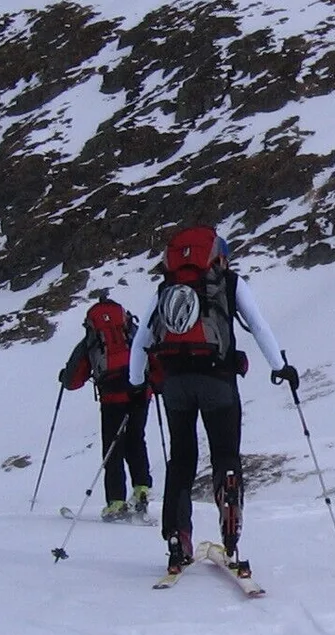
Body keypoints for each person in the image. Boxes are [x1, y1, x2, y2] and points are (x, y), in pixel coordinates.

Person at [128, 226, 300, 576]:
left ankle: (178, 538)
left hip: (175, 384)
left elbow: (141, 340)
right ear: (220, 256)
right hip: (218, 380)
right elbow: (259, 325)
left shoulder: (165, 289)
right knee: (225, 454)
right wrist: (280, 367)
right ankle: (231, 527)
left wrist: (135, 383)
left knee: (181, 460)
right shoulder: (231, 284)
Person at [59, 297, 156, 522]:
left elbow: (73, 380)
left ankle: (116, 502)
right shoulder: (131, 330)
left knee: (112, 448)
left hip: (112, 397)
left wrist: (64, 377)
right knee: (136, 440)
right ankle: (141, 489)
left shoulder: (92, 339)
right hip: (140, 392)